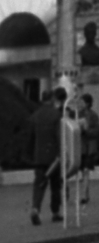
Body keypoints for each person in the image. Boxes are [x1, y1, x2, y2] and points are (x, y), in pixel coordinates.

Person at [29, 87, 66, 225]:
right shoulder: (56, 115)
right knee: (55, 185)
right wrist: (62, 153)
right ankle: (55, 212)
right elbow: (59, 136)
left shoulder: (35, 115)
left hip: (39, 157)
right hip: (53, 158)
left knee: (39, 184)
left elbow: (31, 137)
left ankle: (35, 208)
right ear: (51, 99)